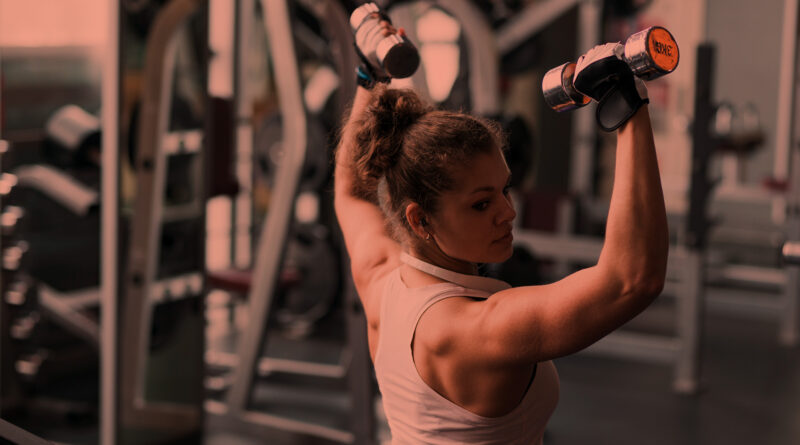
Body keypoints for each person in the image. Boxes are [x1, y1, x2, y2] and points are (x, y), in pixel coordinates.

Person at [334, 19, 668, 445]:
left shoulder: (380, 278)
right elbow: (631, 281)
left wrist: (369, 76)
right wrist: (628, 111)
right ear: (420, 219)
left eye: (504, 189)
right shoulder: (471, 330)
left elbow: (350, 193)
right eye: (481, 203)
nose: (507, 212)